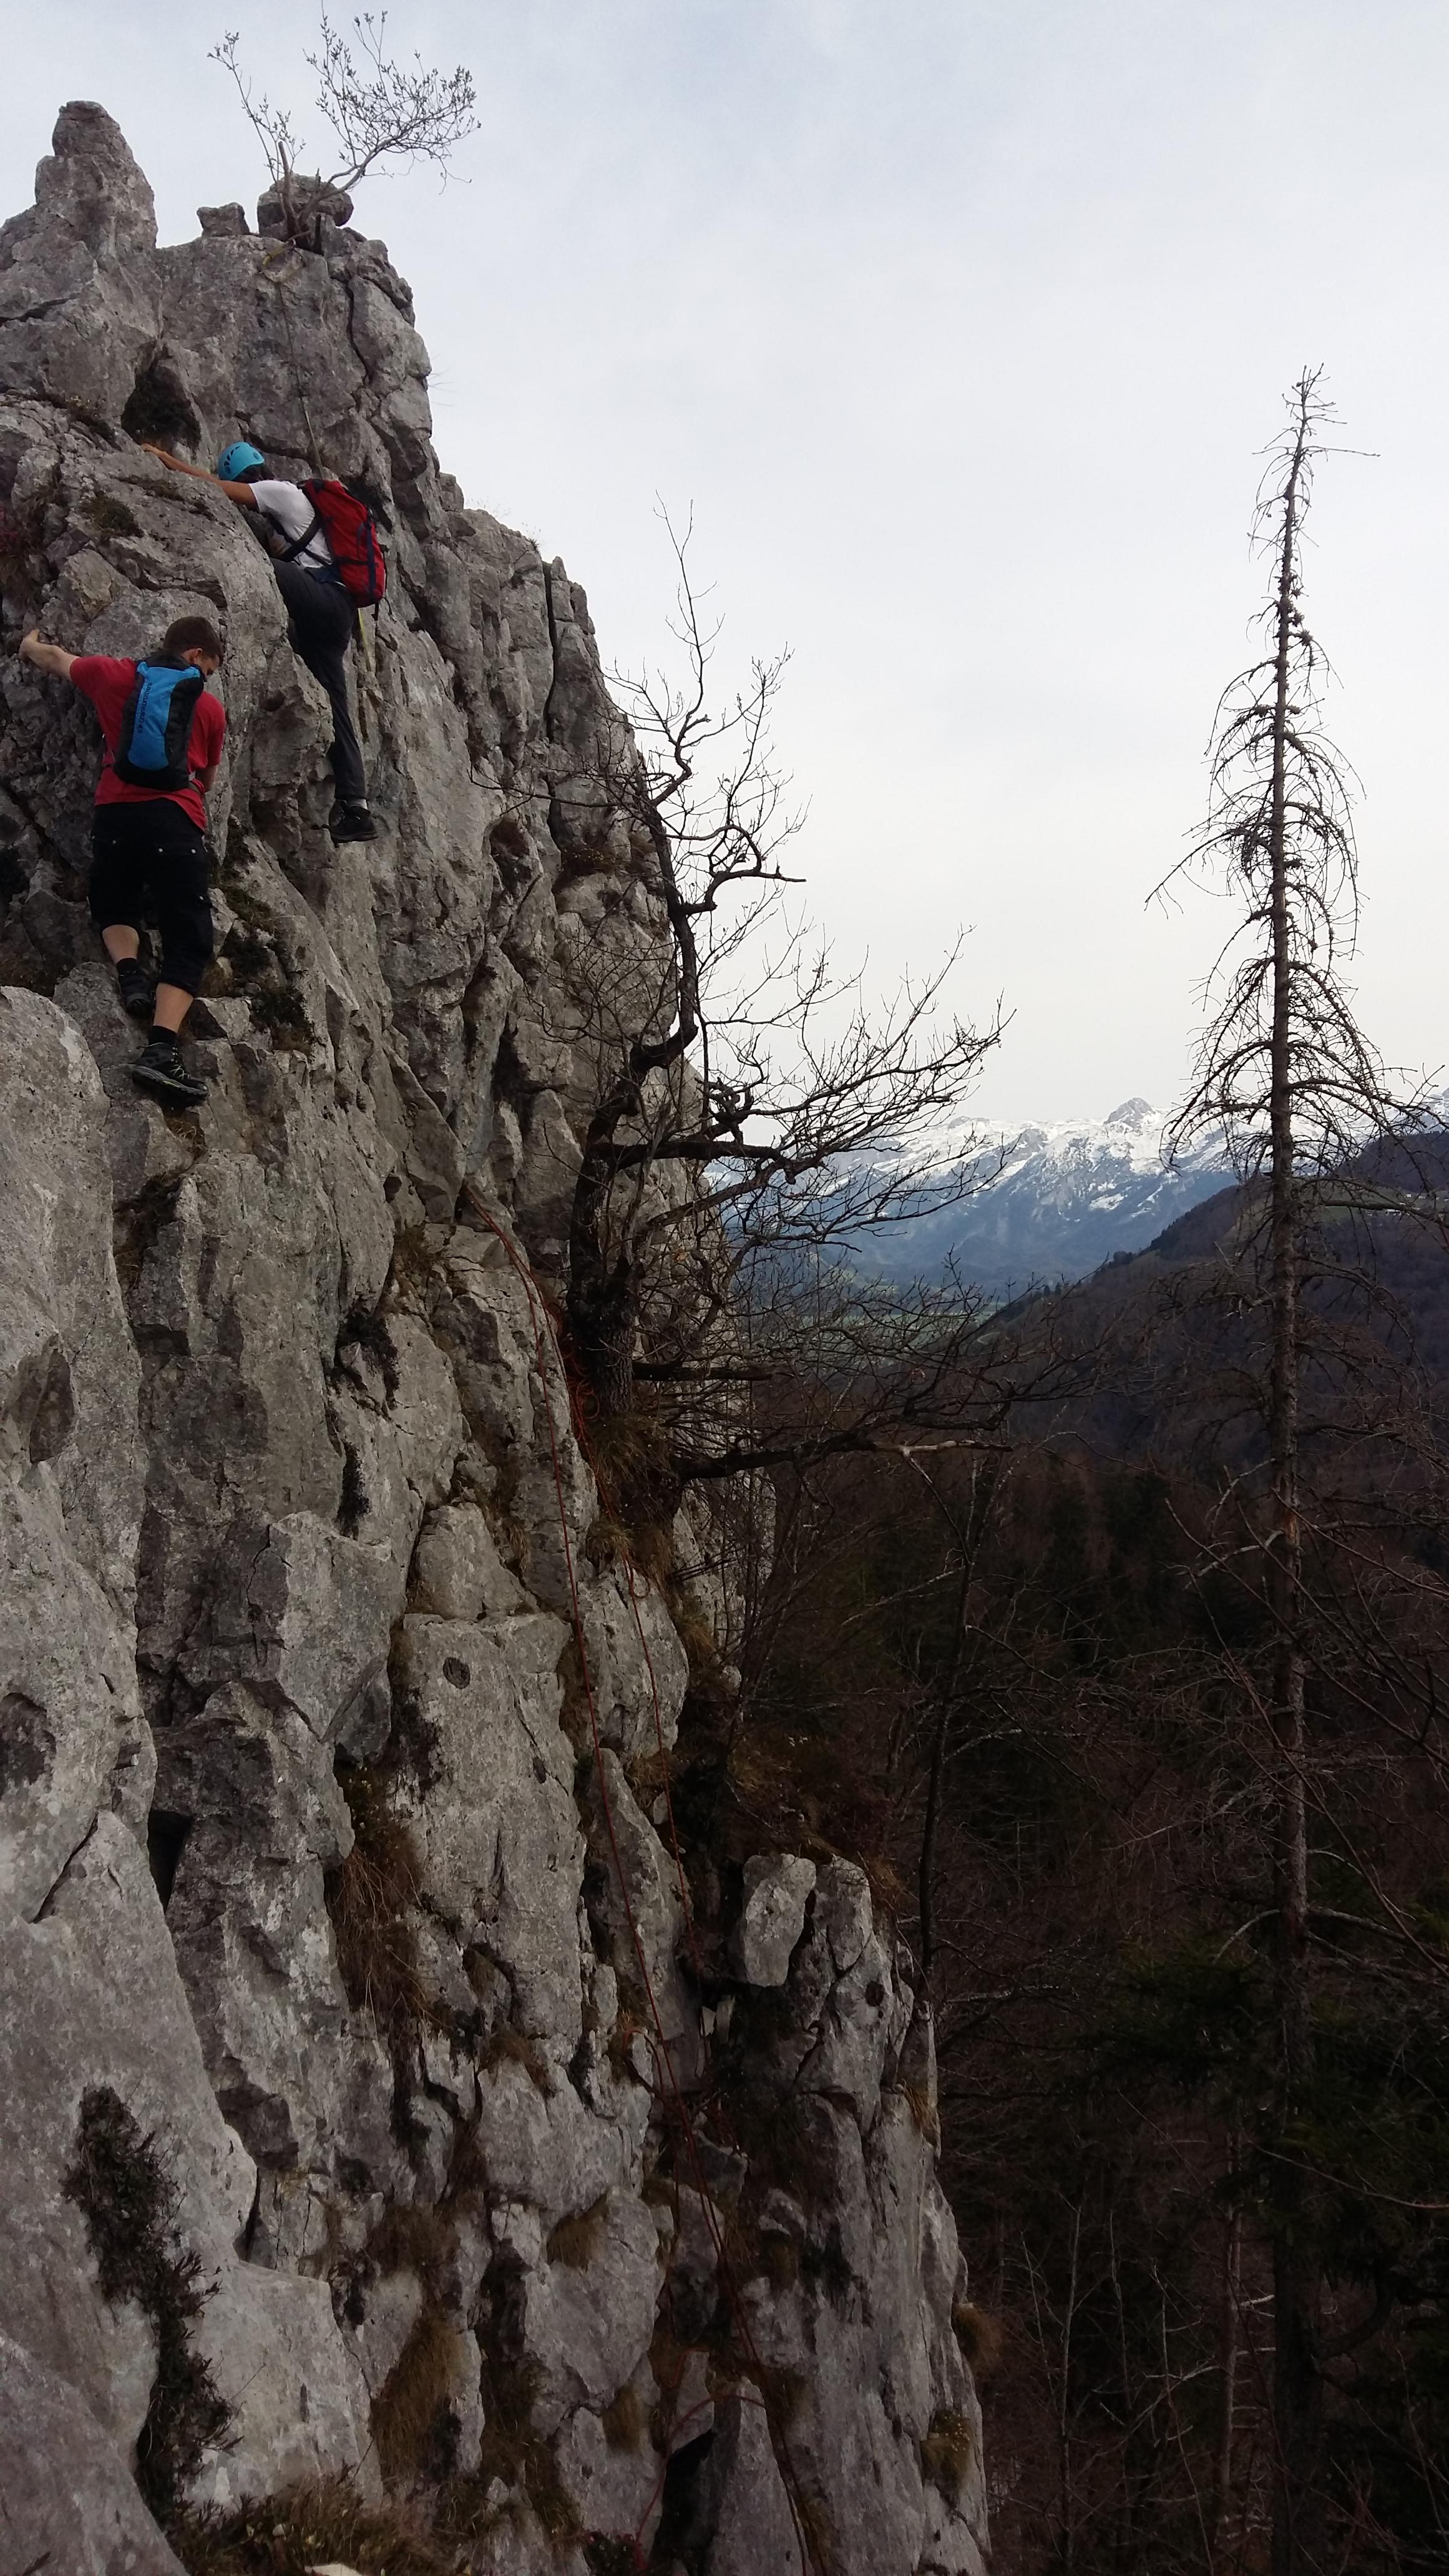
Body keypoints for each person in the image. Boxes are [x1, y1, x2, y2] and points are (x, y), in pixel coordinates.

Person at [18, 617, 227, 1105]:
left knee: (115, 902)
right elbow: (210, 781)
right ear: (195, 655)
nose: (208, 679)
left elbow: (54, 660)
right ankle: (159, 1050)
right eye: (209, 668)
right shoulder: (208, 707)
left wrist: (31, 644)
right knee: (188, 937)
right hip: (175, 821)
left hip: (115, 814)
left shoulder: (111, 675)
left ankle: (129, 970)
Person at [141, 441, 377, 845]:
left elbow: (214, 486)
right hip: (334, 616)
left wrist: (164, 461)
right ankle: (356, 807)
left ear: (248, 476)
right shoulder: (293, 512)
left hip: (326, 602)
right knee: (337, 704)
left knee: (256, 567)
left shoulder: (280, 492)